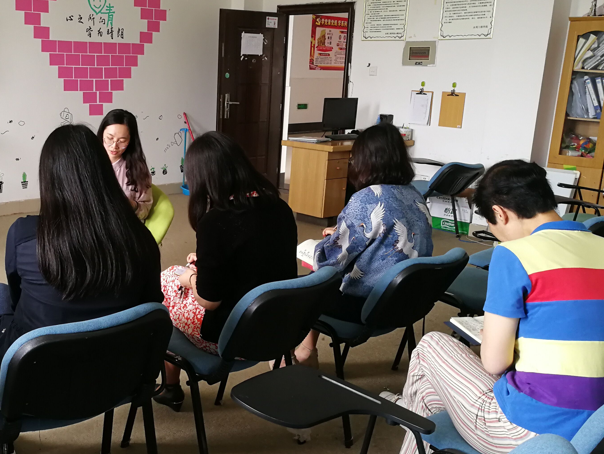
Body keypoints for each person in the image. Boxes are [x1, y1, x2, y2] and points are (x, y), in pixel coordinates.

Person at [390, 160, 604, 454]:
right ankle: (408, 410)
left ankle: (402, 409)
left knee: (430, 347)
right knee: (429, 394)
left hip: (529, 431)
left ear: (500, 214)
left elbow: (494, 364)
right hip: (592, 432)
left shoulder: (514, 254)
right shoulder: (600, 245)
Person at [0, 125, 162, 409]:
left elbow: (17, 298)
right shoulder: (141, 237)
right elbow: (151, 306)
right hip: (114, 380)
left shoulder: (24, 235)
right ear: (103, 172)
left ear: (48, 177)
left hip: (28, 386)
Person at [153, 132, 297, 411]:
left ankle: (170, 387)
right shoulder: (279, 207)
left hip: (232, 338)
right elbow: (257, 257)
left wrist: (191, 277)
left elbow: (209, 301)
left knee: (166, 283)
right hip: (276, 327)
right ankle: (170, 386)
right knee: (177, 277)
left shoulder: (216, 221)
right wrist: (207, 261)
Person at [294, 123, 433, 367]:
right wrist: (344, 231)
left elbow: (332, 260)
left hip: (368, 305)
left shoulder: (367, 198)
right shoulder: (415, 195)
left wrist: (325, 243)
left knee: (303, 286)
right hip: (406, 301)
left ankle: (303, 352)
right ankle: (306, 349)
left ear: (366, 160)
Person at [97, 109, 153, 220]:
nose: (114, 146)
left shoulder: (137, 169)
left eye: (122, 140)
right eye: (110, 138)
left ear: (131, 140)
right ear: (102, 134)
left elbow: (145, 209)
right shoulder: (89, 161)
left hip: (121, 223)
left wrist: (132, 205)